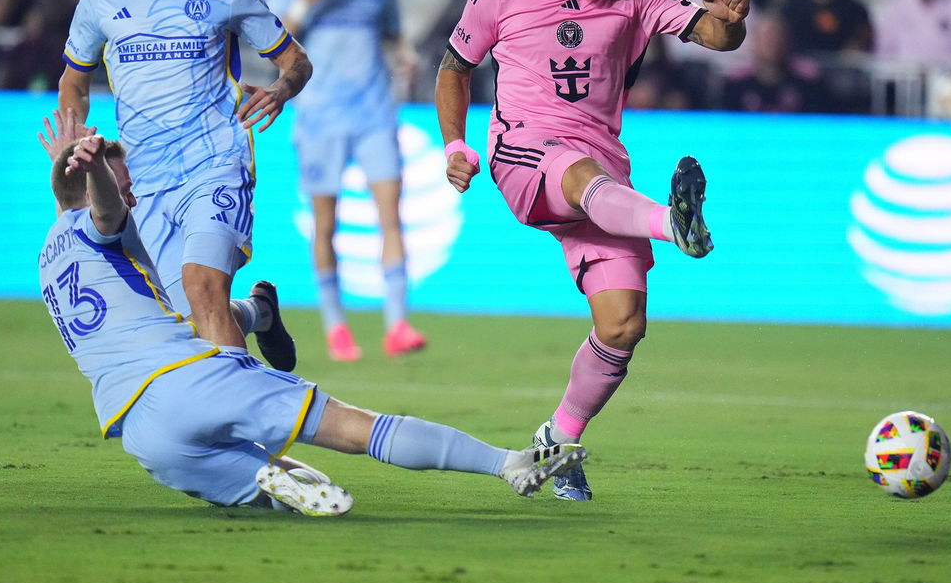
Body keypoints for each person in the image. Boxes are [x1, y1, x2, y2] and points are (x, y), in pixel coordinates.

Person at [41, 132, 587, 514]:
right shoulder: (102, 222)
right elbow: (107, 210)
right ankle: (508, 464)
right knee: (360, 429)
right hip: (191, 378)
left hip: (143, 435)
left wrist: (71, 163)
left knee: (280, 490)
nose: (132, 194)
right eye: (124, 184)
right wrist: (96, 172)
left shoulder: (49, 255)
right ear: (89, 189)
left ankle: (268, 473)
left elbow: (79, 205)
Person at [436, 0, 749, 500]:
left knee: (624, 323)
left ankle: (557, 441)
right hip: (526, 154)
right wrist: (455, 145)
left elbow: (712, 35)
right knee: (575, 172)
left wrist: (733, 21)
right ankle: (673, 224)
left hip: (604, 173)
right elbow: (454, 66)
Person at [57, 0, 308, 371]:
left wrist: (281, 89)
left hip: (215, 162)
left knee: (203, 285)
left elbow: (295, 61)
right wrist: (80, 142)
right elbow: (74, 80)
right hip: (142, 180)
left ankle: (247, 428)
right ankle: (258, 312)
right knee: (194, 317)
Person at [264, 0, 425, 362]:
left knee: (391, 215)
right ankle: (337, 329)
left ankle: (397, 324)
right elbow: (272, 39)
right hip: (319, 115)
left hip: (375, 111)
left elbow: (392, 34)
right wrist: (304, 3)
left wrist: (405, 55)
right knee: (325, 224)